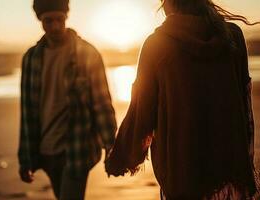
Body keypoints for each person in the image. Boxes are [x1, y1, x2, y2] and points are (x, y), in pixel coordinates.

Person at [105, 0, 259, 199]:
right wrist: (244, 161)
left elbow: (141, 110)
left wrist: (121, 157)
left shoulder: (157, 44)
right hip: (229, 168)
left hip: (182, 170)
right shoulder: (233, 36)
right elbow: (245, 105)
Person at [18, 0, 117, 199]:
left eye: (59, 19)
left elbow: (102, 103)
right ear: (40, 20)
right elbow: (27, 112)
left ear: (66, 17)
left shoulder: (87, 54)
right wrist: (25, 157)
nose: (55, 26)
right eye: (48, 21)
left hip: (78, 147)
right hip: (47, 150)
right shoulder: (31, 59)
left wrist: (111, 145)